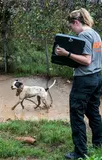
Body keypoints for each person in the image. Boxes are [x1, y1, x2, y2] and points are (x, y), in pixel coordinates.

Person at [55, 8, 102, 159]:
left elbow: (87, 60)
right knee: (93, 112)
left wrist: (66, 54)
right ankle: (99, 144)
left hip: (84, 80)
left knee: (76, 115)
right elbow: (94, 57)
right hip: (96, 78)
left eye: (71, 27)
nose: (73, 31)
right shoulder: (96, 35)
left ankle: (80, 152)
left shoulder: (84, 35)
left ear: (76, 22)